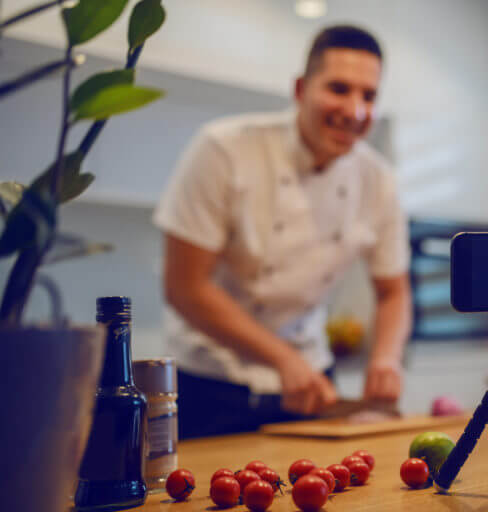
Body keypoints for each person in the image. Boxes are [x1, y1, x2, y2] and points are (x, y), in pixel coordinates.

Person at [153, 25, 412, 439]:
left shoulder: (379, 180)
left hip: (312, 384)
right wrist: (280, 359)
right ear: (300, 89)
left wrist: (385, 359)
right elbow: (185, 286)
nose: (355, 110)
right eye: (339, 88)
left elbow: (392, 290)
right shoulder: (224, 149)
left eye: (369, 95)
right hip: (208, 382)